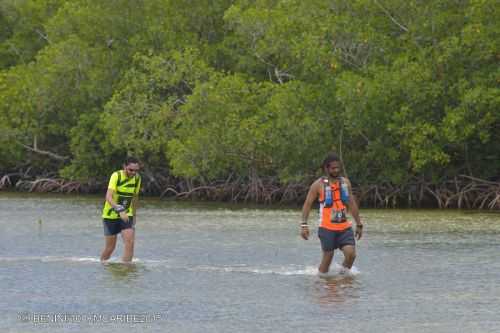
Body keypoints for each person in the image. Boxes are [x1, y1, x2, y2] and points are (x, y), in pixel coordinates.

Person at [300, 153, 363, 274]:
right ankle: (322, 284)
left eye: (338, 167)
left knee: (351, 254)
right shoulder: (318, 185)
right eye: (333, 168)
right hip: (327, 228)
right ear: (326, 168)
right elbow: (307, 204)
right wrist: (304, 225)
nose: (336, 170)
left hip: (344, 227)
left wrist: (359, 224)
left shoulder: (345, 183)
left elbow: (352, 204)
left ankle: (342, 279)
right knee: (328, 258)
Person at [100, 157, 142, 263]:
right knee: (110, 248)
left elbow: (135, 197)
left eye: (136, 170)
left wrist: (134, 216)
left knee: (130, 242)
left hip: (127, 214)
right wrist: (120, 210)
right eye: (130, 170)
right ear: (124, 167)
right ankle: (102, 265)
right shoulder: (116, 176)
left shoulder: (137, 178)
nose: (133, 173)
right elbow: (108, 197)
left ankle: (126, 271)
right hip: (110, 215)